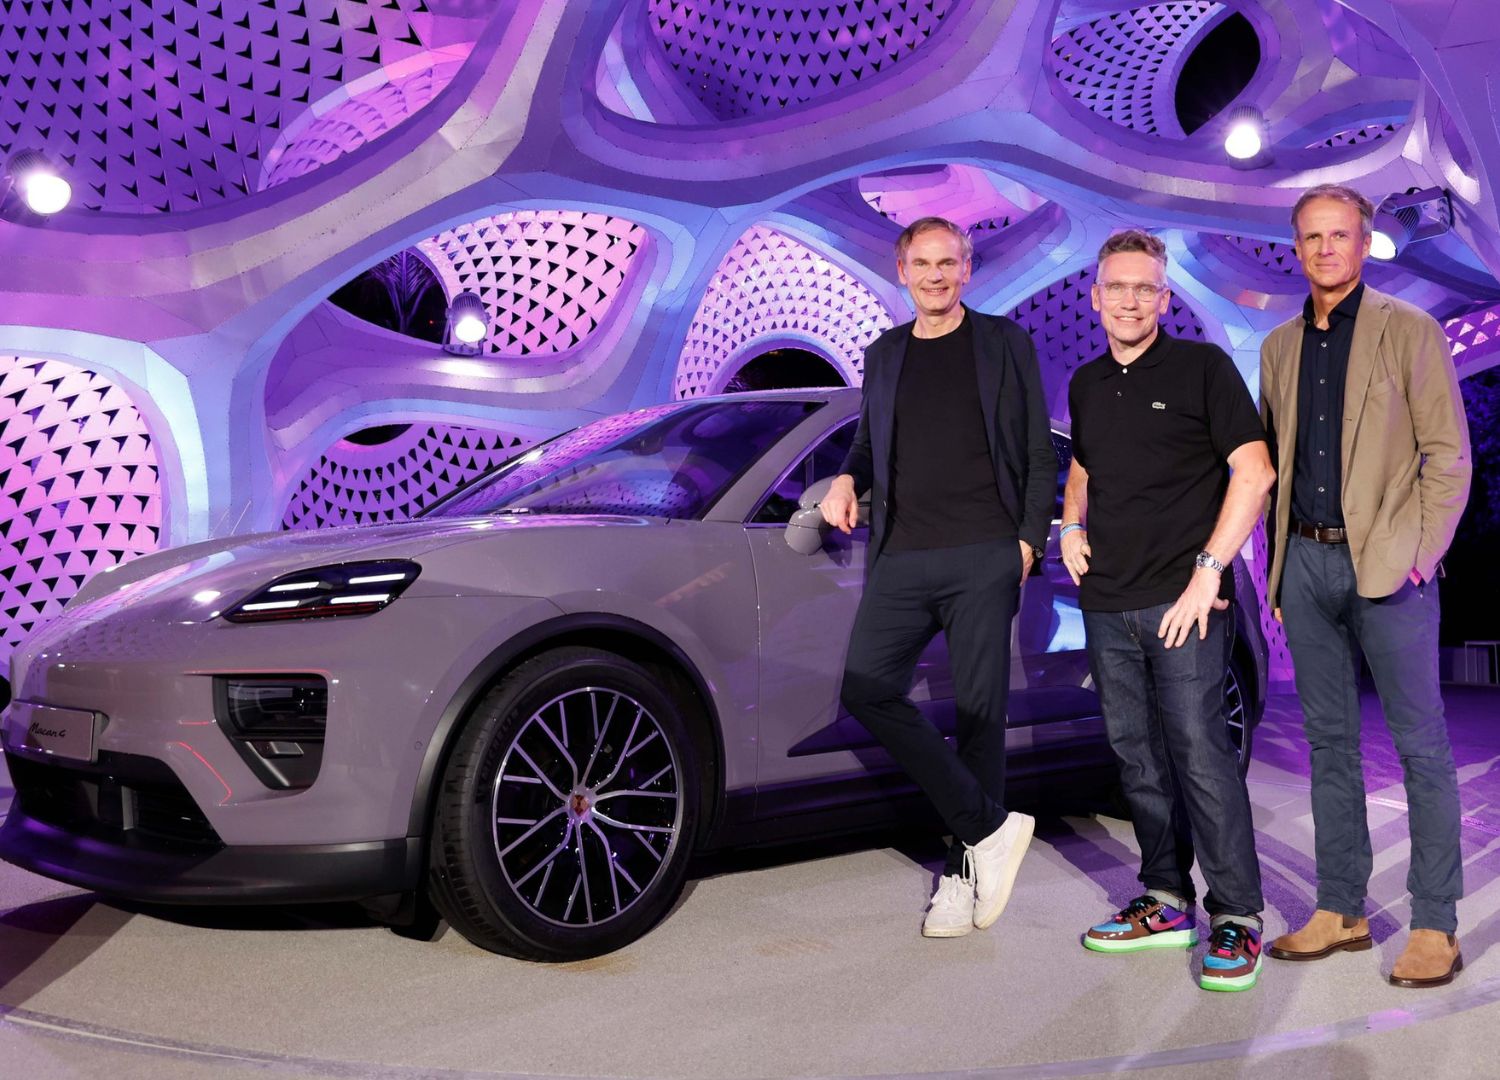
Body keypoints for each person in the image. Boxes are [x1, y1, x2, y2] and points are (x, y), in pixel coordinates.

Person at [821, 216, 1057, 938]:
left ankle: (960, 876)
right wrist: (844, 478)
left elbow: (1037, 447)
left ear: (966, 269)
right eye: (922, 263)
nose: (934, 275)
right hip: (904, 553)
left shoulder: (1003, 343)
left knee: (981, 716)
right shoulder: (884, 353)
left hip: (984, 550)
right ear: (902, 270)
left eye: (947, 263)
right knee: (866, 684)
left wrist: (1025, 542)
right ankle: (990, 829)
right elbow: (870, 440)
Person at [1260, 184, 1471, 988]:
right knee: (1329, 748)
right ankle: (1341, 907)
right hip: (1306, 566)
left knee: (1421, 749)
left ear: (1363, 241)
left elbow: (1447, 456)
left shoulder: (1408, 330)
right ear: (1298, 245)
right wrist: (1273, 566)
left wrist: (1419, 552)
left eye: (1339, 235)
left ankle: (1433, 922)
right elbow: (1275, 463)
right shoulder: (1278, 345)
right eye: (1311, 237)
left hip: (1389, 563)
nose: (1325, 249)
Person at [1060, 229, 1275, 992]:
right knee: (1137, 757)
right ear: (1096, 296)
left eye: (1144, 288)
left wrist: (1206, 574)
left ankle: (1239, 916)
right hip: (1108, 602)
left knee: (1201, 756)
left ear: (1163, 296)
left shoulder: (1201, 369)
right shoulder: (1087, 384)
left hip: (1184, 603)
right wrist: (1071, 523)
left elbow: (1255, 473)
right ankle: (1165, 899)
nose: (1129, 299)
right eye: (1116, 287)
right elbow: (1083, 465)